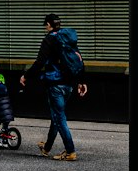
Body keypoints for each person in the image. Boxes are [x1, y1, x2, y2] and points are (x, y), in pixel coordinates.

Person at [20, 13, 88, 160]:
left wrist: (26, 76)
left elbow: (40, 63)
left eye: (46, 24)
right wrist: (81, 82)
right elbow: (78, 59)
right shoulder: (67, 38)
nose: (45, 27)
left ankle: (70, 151)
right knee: (56, 116)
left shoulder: (49, 39)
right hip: (69, 84)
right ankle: (47, 147)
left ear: (49, 25)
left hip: (55, 84)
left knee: (59, 117)